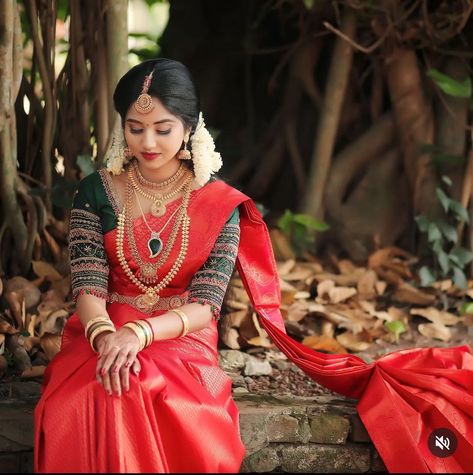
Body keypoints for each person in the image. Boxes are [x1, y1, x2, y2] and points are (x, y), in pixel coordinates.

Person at [34, 58, 473, 473]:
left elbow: (206, 305)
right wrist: (110, 336)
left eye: (162, 129)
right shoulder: (96, 191)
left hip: (180, 335)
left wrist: (141, 332)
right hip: (104, 328)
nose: (147, 143)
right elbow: (88, 286)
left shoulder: (218, 202)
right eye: (135, 128)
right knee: (91, 394)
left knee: (140, 387)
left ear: (189, 127)